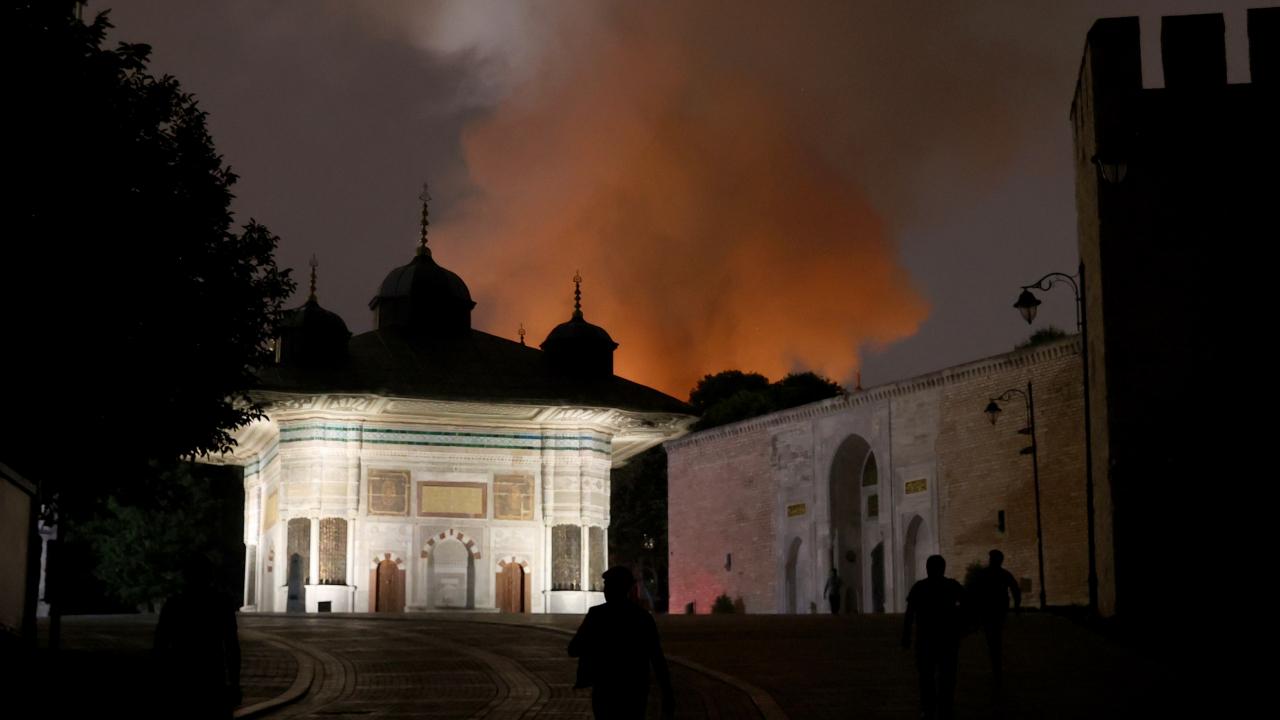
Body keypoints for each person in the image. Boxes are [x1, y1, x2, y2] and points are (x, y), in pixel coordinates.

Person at [569, 566, 675, 719]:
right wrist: (667, 691)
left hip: (606, 689)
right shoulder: (642, 617)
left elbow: (574, 649)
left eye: (607, 585)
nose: (605, 590)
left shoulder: (597, 615)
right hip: (634, 689)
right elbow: (657, 657)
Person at [154, 554, 241, 719]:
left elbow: (160, 645)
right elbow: (231, 646)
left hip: (183, 676)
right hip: (211, 677)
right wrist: (234, 682)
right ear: (209, 576)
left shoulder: (174, 604)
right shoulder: (221, 603)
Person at [902, 555, 965, 720]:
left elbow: (909, 614)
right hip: (947, 639)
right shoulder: (952, 586)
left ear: (927, 568)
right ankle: (945, 707)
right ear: (943, 568)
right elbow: (967, 604)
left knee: (926, 676)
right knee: (947, 676)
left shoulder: (920, 587)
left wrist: (906, 635)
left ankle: (928, 707)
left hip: (926, 640)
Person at [972, 549, 1021, 680]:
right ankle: (996, 663)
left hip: (989, 610)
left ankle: (996, 663)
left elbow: (975, 592)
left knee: (992, 637)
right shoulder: (1004, 574)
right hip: (998, 609)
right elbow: (1015, 589)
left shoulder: (984, 574)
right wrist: (1016, 607)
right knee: (995, 636)